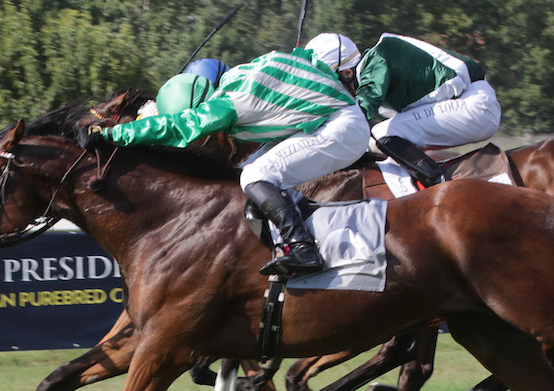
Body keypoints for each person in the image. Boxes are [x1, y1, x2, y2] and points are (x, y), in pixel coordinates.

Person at [79, 39, 369, 276]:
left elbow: (179, 126)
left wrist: (112, 134)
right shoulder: (236, 75)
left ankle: (303, 248)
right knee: (244, 172)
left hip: (342, 127)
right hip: (328, 117)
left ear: (200, 105)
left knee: (255, 176)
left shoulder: (227, 104)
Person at [322, 32, 502, 186]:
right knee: (378, 141)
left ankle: (440, 186)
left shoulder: (376, 60)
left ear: (347, 73)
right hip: (472, 103)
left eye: (333, 86)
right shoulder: (374, 65)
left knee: (382, 133)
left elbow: (361, 111)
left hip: (475, 104)